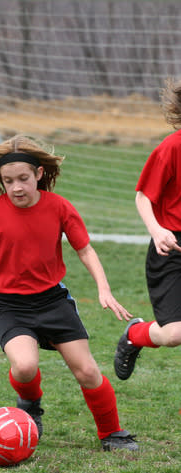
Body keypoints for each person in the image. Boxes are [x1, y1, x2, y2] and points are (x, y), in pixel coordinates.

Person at [0, 134, 138, 451]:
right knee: (25, 367)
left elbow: (85, 250)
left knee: (86, 371)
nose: (16, 187)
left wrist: (104, 289)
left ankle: (112, 433)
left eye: (23, 179)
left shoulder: (59, 207)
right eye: (8, 181)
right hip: (10, 306)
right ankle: (30, 405)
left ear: (39, 174)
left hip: (53, 302)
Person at [114, 77, 181, 380]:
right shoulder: (172, 147)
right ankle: (135, 334)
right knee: (173, 335)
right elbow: (143, 196)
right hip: (171, 247)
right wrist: (156, 230)